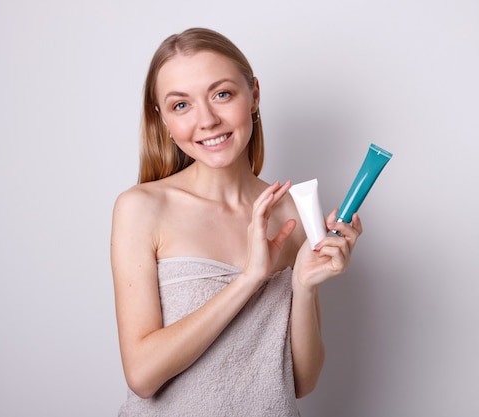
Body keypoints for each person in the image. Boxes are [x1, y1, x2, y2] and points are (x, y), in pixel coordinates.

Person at [110, 27, 362, 416]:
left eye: (221, 94)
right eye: (181, 105)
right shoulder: (141, 208)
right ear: (162, 119)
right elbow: (142, 376)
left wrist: (305, 285)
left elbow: (301, 382)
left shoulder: (291, 212)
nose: (207, 120)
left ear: (254, 95)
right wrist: (249, 278)